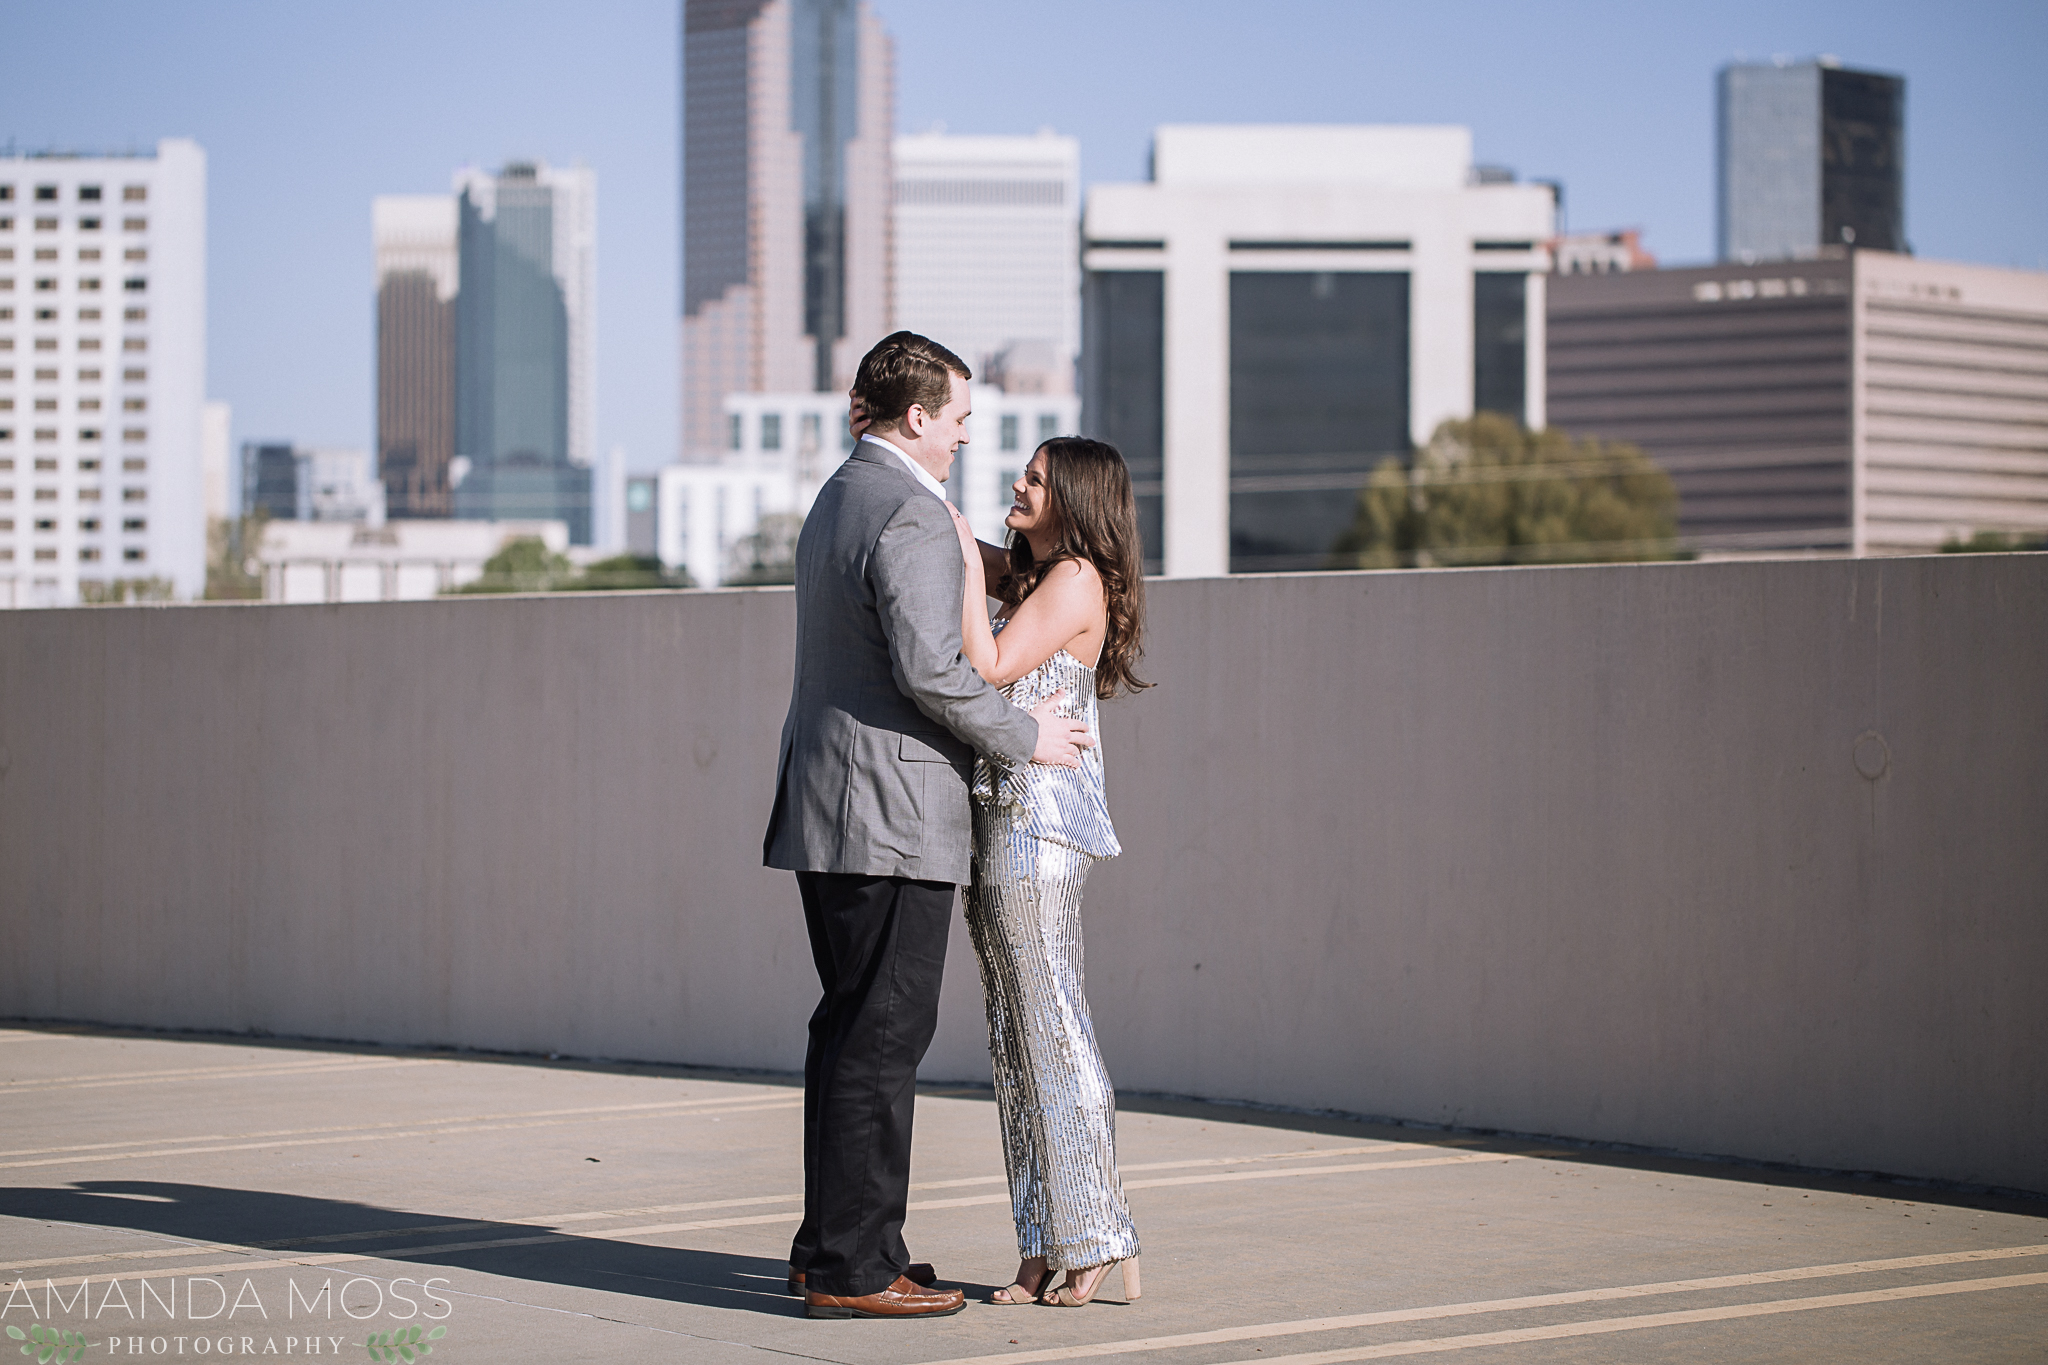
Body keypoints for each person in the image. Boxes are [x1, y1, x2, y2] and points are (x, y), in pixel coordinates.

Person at [762, 331, 1097, 1321]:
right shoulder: (905, 509)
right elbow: (929, 669)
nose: (962, 436)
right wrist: (1022, 733)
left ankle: (832, 1247)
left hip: (829, 803)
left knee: (845, 1028)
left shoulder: (839, 497)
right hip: (889, 811)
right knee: (881, 1033)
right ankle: (856, 1272)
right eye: (957, 418)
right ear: (917, 416)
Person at [945, 437, 1151, 1309]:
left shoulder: (1072, 581)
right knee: (1013, 1038)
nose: (1018, 483)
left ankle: (1098, 1236)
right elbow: (958, 540)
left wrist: (959, 559)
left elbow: (987, 667)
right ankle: (1042, 1241)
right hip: (1000, 824)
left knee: (1054, 1028)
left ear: (1073, 496)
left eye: (1036, 477)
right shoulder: (1034, 577)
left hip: (1040, 829)